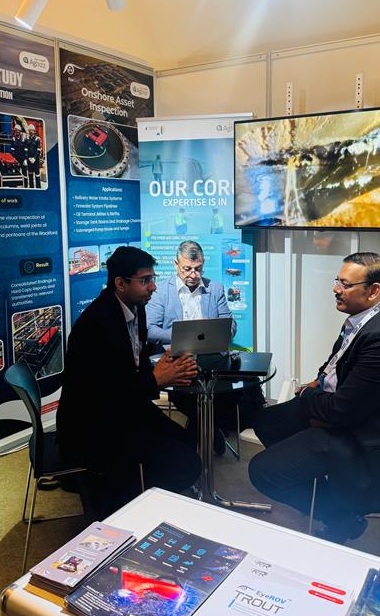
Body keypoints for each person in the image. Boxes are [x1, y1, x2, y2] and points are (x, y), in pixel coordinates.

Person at [249, 252, 380, 544]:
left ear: (374, 291)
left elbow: (340, 413)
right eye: (337, 281)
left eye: (345, 284)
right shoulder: (366, 320)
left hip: (363, 440)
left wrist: (308, 394)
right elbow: (336, 363)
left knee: (262, 472)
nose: (336, 289)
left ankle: (340, 516)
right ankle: (321, 486)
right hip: (349, 412)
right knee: (267, 421)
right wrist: (319, 381)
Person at [57, 246, 201, 520]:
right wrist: (156, 379)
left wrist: (164, 368)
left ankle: (138, 493)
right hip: (95, 425)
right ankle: (128, 510)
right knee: (185, 465)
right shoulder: (97, 325)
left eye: (153, 279)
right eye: (145, 280)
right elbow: (104, 395)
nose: (153, 287)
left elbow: (135, 361)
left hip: (124, 410)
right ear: (120, 284)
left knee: (186, 440)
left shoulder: (136, 308)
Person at [146, 240, 264, 454]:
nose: (193, 274)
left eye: (198, 269)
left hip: (213, 356)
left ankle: (203, 428)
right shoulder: (161, 291)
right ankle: (207, 428)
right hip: (178, 358)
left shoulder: (215, 288)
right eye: (187, 269)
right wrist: (181, 338)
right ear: (175, 264)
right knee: (191, 390)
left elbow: (230, 324)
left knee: (241, 382)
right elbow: (150, 329)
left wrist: (223, 332)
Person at [26, 124, 43, 188]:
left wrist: (34, 158)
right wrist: (28, 158)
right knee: (30, 175)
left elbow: (38, 150)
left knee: (37, 175)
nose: (31, 131)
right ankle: (31, 188)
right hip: (29, 160)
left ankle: (38, 188)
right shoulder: (27, 139)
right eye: (30, 130)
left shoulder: (37, 139)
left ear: (34, 131)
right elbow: (26, 150)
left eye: (32, 130)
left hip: (35, 161)